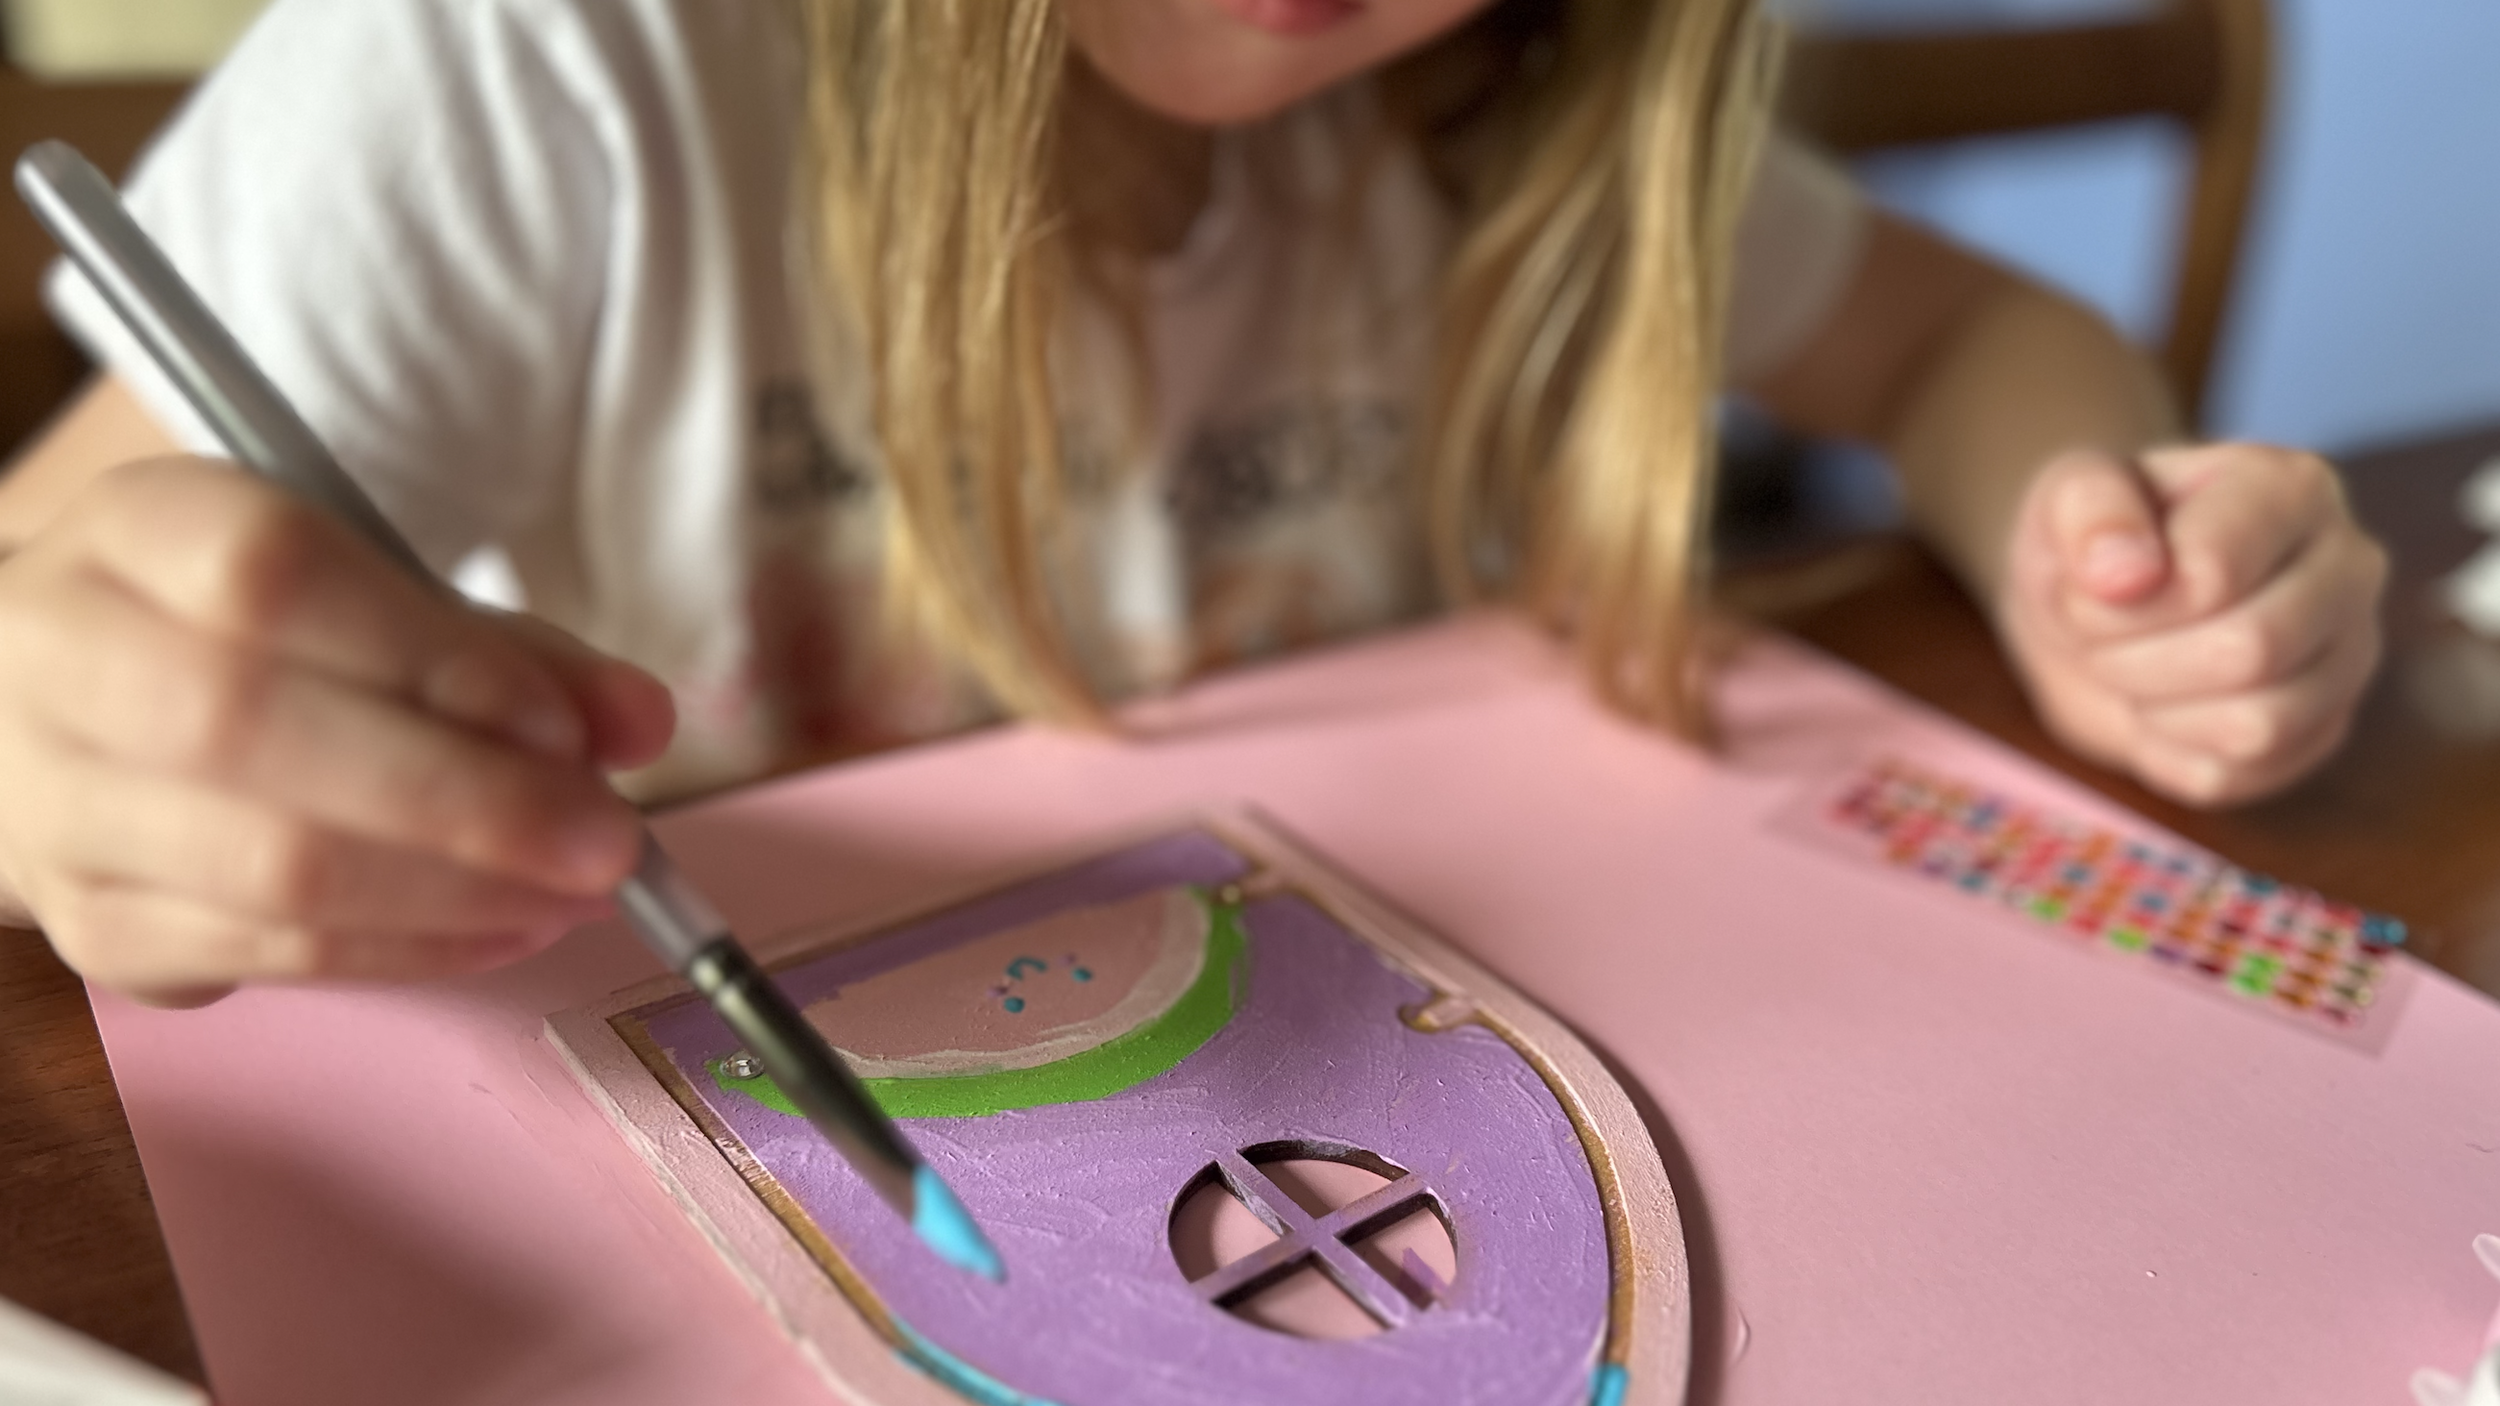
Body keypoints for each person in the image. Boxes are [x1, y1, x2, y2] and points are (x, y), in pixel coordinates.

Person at [0, 0, 2385, 1007]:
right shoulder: (543, 62)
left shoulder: (1495, 117)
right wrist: (73, 742)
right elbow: (63, 620)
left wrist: (2105, 538)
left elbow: (1965, 337)